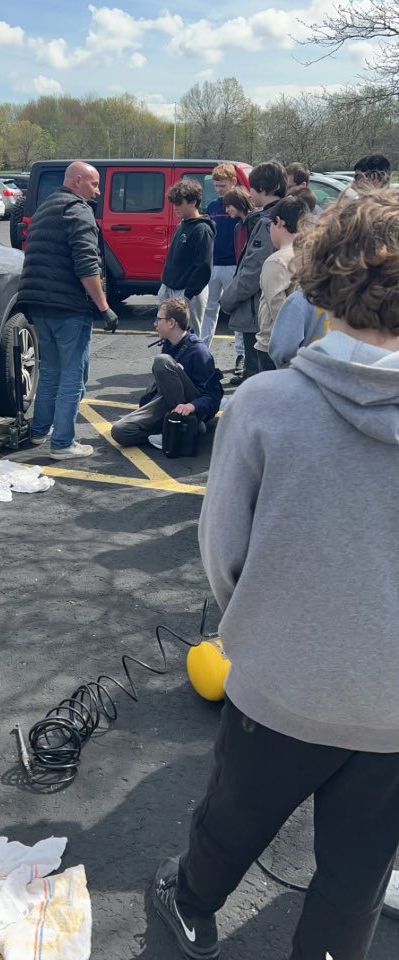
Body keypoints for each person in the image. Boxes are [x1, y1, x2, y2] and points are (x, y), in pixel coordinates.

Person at [152, 188, 399, 960]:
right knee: (355, 876)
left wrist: (262, 624)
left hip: (279, 681)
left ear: (318, 278)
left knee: (231, 822)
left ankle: (189, 910)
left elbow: (224, 556)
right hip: (392, 704)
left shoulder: (265, 404)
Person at [17, 160, 118, 459]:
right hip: (69, 307)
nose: (98, 192)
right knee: (74, 376)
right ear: (77, 181)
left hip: (39, 304)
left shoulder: (46, 208)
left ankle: (40, 431)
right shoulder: (78, 210)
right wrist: (104, 307)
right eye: (94, 184)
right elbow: (87, 265)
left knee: (50, 371)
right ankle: (62, 443)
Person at [111, 298, 222, 449]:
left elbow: (213, 396)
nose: (155, 324)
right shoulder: (169, 344)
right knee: (120, 431)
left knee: (161, 361)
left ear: (171, 323)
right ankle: (179, 429)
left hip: (191, 405)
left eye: (159, 319)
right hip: (168, 402)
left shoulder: (199, 352)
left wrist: (193, 406)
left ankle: (182, 425)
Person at [220, 161, 287, 382]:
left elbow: (252, 271)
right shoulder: (288, 213)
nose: (249, 193)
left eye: (252, 188)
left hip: (259, 313)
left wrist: (227, 300)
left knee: (258, 376)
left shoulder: (268, 222)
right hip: (275, 311)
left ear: (264, 189)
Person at [255, 195, 307, 371]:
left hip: (273, 345)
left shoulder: (276, 261)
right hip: (304, 343)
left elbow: (277, 308)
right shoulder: (309, 255)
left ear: (278, 222)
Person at [159, 179, 215, 336]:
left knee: (189, 336)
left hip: (188, 292)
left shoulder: (202, 229)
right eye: (174, 203)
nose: (175, 207)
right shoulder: (181, 225)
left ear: (193, 202)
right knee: (170, 334)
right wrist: (164, 286)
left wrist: (188, 295)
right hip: (170, 288)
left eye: (179, 203)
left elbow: (203, 267)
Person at [200, 163, 238, 353]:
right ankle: (203, 347)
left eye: (223, 185)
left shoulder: (240, 205)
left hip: (233, 264)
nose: (219, 189)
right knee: (209, 308)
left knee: (237, 309)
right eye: (216, 186)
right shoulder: (213, 206)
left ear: (233, 182)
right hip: (214, 264)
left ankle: (240, 352)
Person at [220, 186, 253, 377]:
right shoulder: (238, 227)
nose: (227, 211)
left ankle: (246, 364)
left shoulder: (254, 223)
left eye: (229, 206)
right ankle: (244, 363)